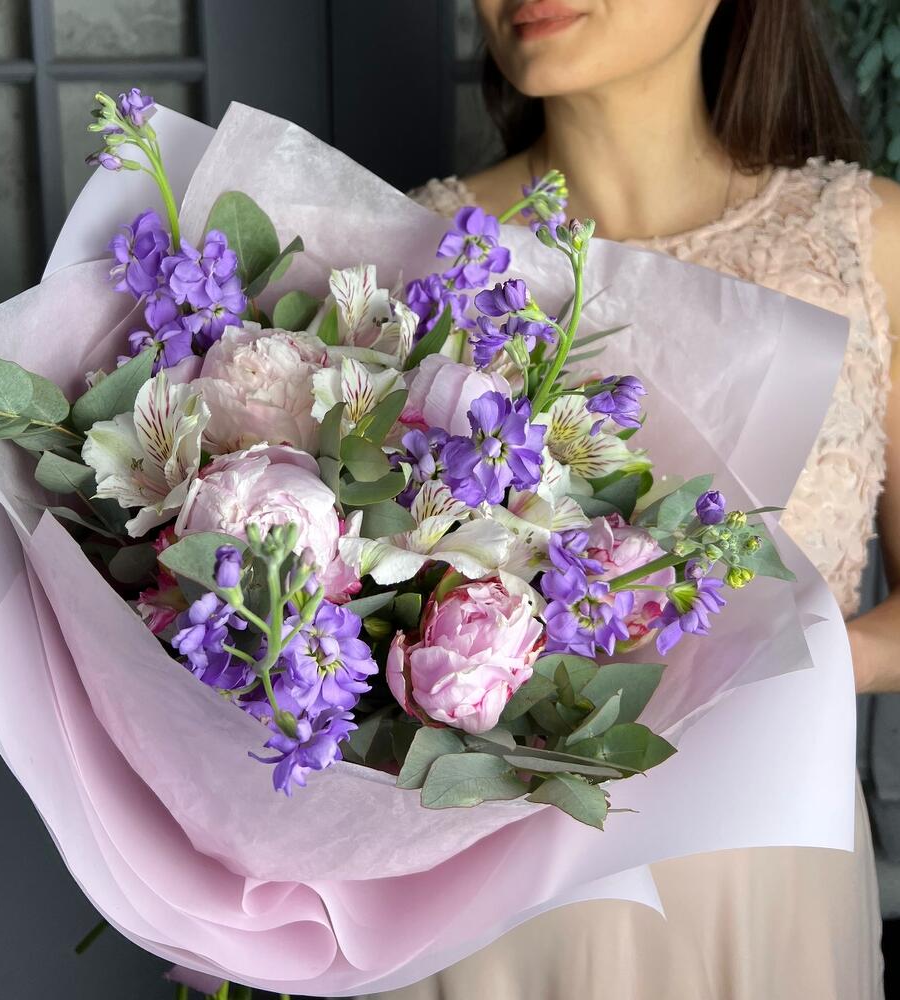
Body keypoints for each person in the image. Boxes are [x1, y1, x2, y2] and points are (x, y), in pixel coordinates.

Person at [380, 1, 900, 997]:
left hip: (762, 886)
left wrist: (802, 658)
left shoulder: (866, 243)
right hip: (486, 912)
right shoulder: (411, 255)